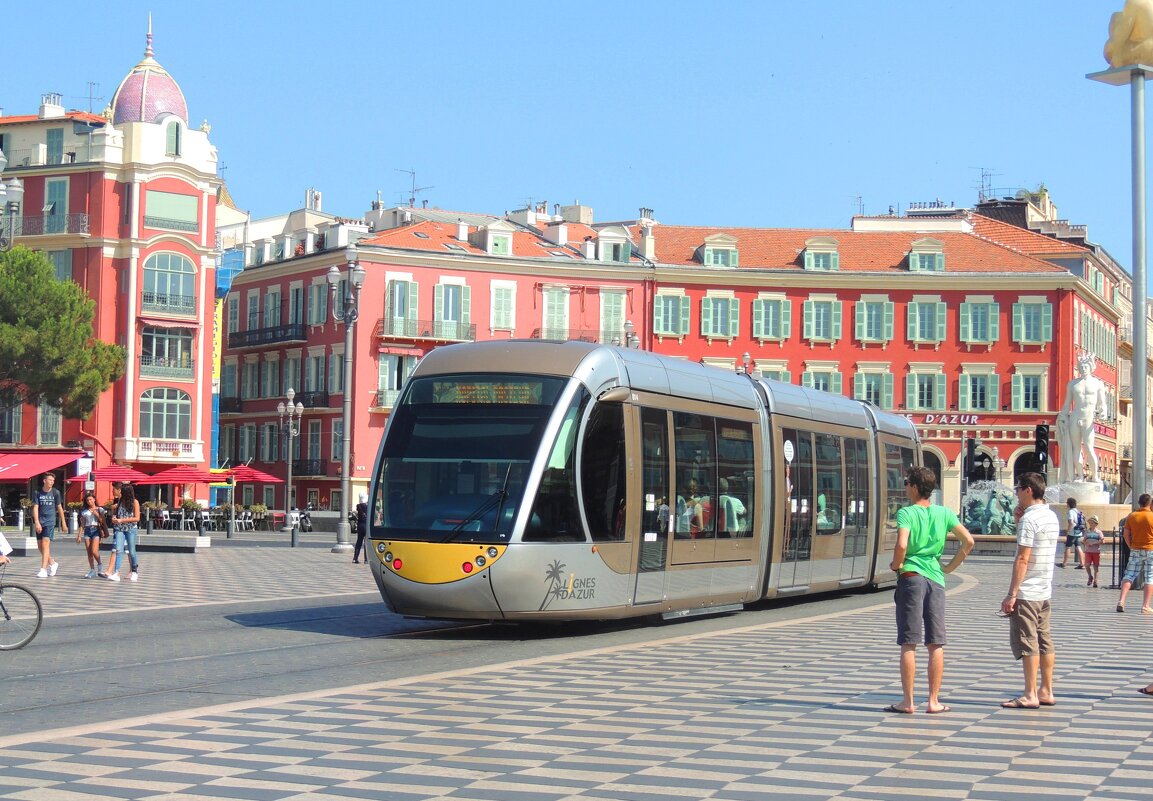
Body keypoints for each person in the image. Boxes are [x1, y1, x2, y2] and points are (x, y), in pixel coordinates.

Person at [886, 466, 974, 715]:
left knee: (908, 642)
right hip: (936, 579)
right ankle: (934, 701)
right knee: (936, 643)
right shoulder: (944, 513)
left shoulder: (907, 513)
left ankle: (908, 702)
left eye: (906, 483)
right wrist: (949, 566)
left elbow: (902, 543)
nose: (905, 487)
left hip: (912, 577)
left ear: (914, 487)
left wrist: (896, 564)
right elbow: (969, 540)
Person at [1000, 471, 1060, 709]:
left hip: (1027, 592)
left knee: (1028, 642)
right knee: (1045, 640)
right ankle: (1046, 690)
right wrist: (1017, 521)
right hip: (1045, 589)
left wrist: (1012, 593)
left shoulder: (1030, 519)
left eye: (1018, 489)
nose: (1016, 493)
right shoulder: (1051, 516)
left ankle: (1030, 694)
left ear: (1028, 490)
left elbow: (1023, 558)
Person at [1056, 352, 1107, 484]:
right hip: (1075, 416)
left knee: (1090, 448)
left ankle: (1094, 476)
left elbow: (1102, 404)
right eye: (1081, 366)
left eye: (1086, 366)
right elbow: (1067, 404)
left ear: (1091, 367)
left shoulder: (1097, 384)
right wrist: (1062, 416)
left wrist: (1103, 412)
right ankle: (1079, 476)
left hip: (1088, 417)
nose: (1084, 369)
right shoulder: (1073, 384)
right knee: (1076, 448)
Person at [1117, 493, 1153, 613]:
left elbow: (1125, 534)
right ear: (1150, 503)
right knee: (1149, 577)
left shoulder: (1132, 516)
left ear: (1139, 502)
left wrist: (1131, 546)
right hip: (1151, 550)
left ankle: (1121, 601)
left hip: (1135, 550)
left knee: (1129, 575)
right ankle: (1145, 606)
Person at [31, 472, 65, 579]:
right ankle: (53, 563)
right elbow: (35, 507)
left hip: (50, 522)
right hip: (40, 521)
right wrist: (36, 522)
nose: (52, 482)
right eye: (50, 480)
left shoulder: (56, 493)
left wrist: (63, 522)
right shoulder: (37, 493)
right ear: (44, 481)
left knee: (45, 544)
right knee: (40, 546)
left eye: (53, 480)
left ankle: (43, 569)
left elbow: (59, 508)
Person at [105, 483, 141, 583]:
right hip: (120, 528)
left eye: (122, 491)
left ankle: (134, 571)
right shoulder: (120, 501)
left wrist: (122, 520)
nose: (119, 492)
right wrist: (114, 518)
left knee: (131, 550)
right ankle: (116, 572)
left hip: (130, 528)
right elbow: (117, 514)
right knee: (118, 549)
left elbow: (137, 518)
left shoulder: (135, 502)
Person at [76, 492, 108, 578]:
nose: (89, 501)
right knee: (89, 552)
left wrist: (96, 514)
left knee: (94, 551)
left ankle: (100, 565)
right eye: (87, 500)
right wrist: (79, 535)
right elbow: (82, 524)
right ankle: (92, 570)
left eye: (91, 499)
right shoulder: (84, 512)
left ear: (94, 499)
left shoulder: (100, 509)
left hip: (96, 530)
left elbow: (103, 521)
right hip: (87, 530)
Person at [1059, 497, 1086, 569]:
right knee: (1078, 547)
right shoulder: (1077, 511)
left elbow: (1071, 523)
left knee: (1068, 547)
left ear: (1068, 504)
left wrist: (1068, 531)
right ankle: (1082, 564)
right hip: (1078, 532)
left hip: (1072, 533)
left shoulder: (1070, 512)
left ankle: (1064, 563)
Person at [1082, 515, 1104, 588]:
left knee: (1096, 567)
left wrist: (1094, 543)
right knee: (1087, 565)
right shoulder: (1087, 532)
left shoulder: (1098, 532)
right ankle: (1090, 576)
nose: (1091, 524)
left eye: (1092, 523)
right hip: (1088, 551)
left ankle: (1095, 581)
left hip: (1096, 551)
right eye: (1090, 523)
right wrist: (1086, 543)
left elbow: (1103, 541)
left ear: (1096, 524)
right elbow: (1083, 540)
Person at [353, 492, 369, 563]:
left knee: (359, 542)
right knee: (366, 543)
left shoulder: (358, 506)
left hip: (359, 525)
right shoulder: (367, 506)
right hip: (365, 525)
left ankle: (355, 558)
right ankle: (366, 559)